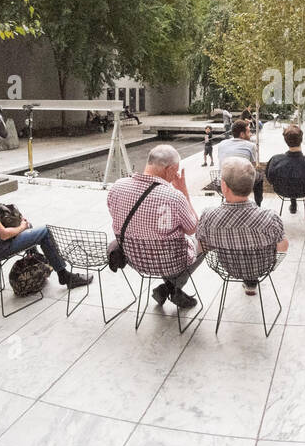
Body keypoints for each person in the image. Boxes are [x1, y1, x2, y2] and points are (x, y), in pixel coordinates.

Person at [0, 148, 92, 290]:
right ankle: (64, 276)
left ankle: (37, 265)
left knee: (30, 229)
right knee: (44, 232)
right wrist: (22, 226)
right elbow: (3, 234)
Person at [107, 143, 202, 309]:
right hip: (170, 262)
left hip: (135, 260)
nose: (176, 174)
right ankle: (170, 288)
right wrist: (184, 191)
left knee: (158, 238)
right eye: (176, 170)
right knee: (204, 239)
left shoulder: (117, 186)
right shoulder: (174, 197)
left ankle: (167, 288)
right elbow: (193, 228)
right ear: (170, 169)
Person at [198, 157, 289, 297]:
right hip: (261, 267)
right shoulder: (269, 217)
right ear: (252, 185)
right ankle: (251, 280)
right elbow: (283, 247)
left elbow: (201, 246)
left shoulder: (208, 216)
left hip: (228, 268)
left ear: (224, 186)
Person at [265, 124, 305, 214]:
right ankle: (293, 202)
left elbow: (270, 178)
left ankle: (293, 203)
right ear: (301, 139)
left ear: (285, 140)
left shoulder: (275, 160)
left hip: (282, 190)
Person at [217, 118, 264, 205]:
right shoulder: (251, 146)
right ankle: (258, 203)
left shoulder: (221, 144)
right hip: (241, 184)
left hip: (223, 181)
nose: (250, 134)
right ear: (242, 134)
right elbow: (252, 167)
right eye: (248, 132)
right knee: (259, 176)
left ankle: (227, 199)